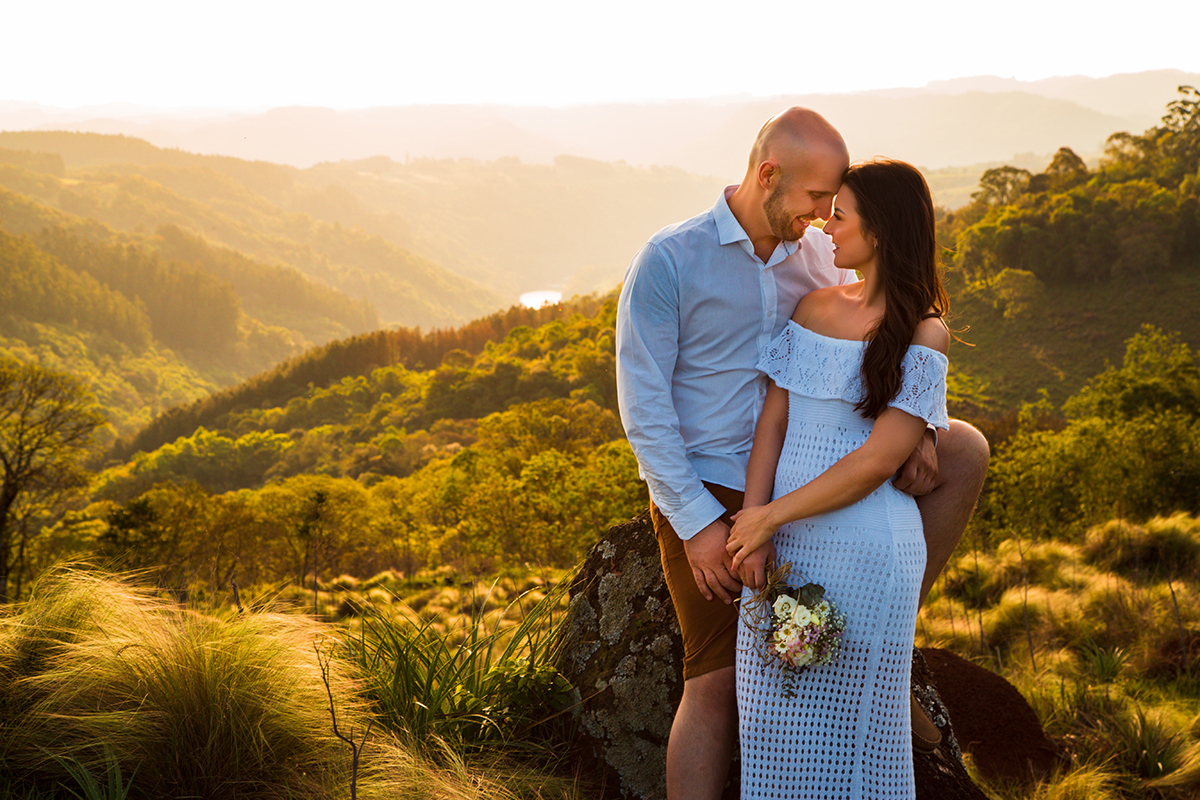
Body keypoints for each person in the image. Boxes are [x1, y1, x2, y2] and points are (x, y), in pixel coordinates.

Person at [616, 108, 988, 800]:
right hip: (711, 478)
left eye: (837, 208)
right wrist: (702, 529)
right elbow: (643, 411)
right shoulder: (670, 260)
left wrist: (925, 433)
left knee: (965, 445)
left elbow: (887, 344)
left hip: (809, 466)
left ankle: (883, 655)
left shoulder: (820, 256)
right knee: (717, 681)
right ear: (769, 176)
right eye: (819, 200)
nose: (825, 218)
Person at [726, 158, 949, 798]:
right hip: (788, 543)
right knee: (770, 727)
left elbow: (879, 460)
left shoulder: (923, 334)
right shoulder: (814, 305)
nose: (826, 224)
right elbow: (774, 422)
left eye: (840, 215)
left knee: (855, 743)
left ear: (877, 231)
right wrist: (757, 524)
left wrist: (769, 516)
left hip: (869, 552)